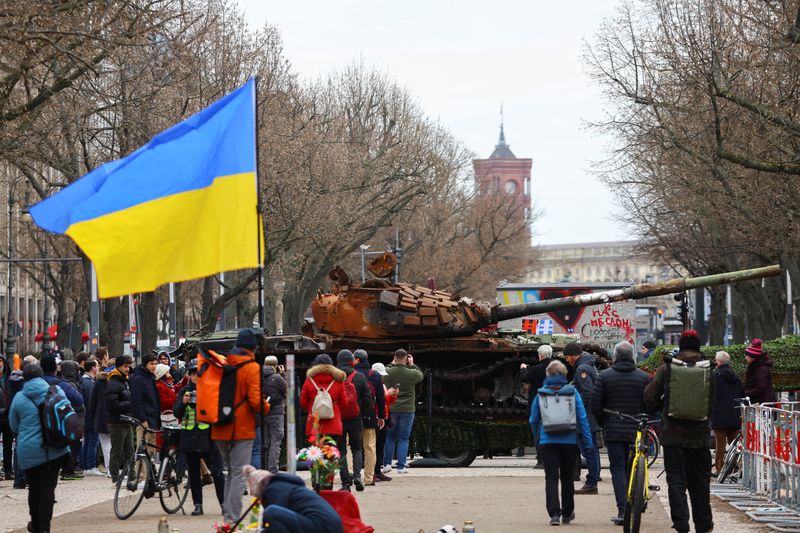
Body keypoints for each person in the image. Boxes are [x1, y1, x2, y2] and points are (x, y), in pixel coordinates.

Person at [645, 329, 714, 533]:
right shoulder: (709, 370)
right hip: (699, 437)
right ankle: (703, 525)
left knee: (676, 482)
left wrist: (661, 408)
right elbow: (713, 401)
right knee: (700, 483)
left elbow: (650, 397)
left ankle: (682, 525)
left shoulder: (667, 369)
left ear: (681, 346)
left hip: (673, 436)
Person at [211, 328, 270, 526]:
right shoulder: (251, 367)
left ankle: (228, 516)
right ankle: (232, 520)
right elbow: (255, 401)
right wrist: (266, 406)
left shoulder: (223, 364)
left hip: (219, 426)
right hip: (241, 428)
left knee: (230, 472)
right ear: (253, 347)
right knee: (238, 474)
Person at [592, 341, 650, 526]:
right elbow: (650, 402)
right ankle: (636, 499)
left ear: (615, 356)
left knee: (617, 469)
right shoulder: (643, 377)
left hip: (614, 429)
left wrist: (605, 422)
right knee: (634, 465)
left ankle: (622, 510)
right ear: (633, 356)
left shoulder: (605, 377)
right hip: (636, 429)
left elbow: (595, 405)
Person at [529, 360, 593, 526]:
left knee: (551, 478)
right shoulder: (572, 393)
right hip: (569, 441)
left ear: (547, 375)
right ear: (565, 375)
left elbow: (533, 419)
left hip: (547, 441)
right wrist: (587, 442)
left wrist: (538, 437)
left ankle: (554, 515)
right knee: (567, 478)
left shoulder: (541, 393)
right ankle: (567, 513)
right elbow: (582, 418)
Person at [9, 364, 70, 533]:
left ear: (25, 378)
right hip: (55, 447)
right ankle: (44, 526)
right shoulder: (56, 390)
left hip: (29, 450)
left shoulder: (20, 397)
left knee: (34, 487)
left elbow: (13, 425)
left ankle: (35, 522)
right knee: (48, 487)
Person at [173, 361, 225, 516]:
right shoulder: (184, 391)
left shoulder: (211, 390)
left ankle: (223, 503)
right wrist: (183, 403)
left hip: (210, 438)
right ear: (189, 375)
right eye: (193, 373)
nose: (196, 376)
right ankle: (198, 505)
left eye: (199, 373)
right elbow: (177, 413)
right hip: (190, 438)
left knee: (217, 472)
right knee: (194, 474)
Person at [243, 466, 344, 532]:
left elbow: (272, 516)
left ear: (260, 485)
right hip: (330, 526)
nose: (252, 494)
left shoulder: (275, 488)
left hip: (322, 526)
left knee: (271, 511)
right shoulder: (285, 486)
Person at [299, 354, 348, 481]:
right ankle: (328, 485)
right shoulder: (338, 380)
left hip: (314, 427)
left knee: (314, 456)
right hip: (333, 426)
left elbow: (303, 403)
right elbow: (344, 403)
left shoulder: (309, 380)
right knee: (330, 457)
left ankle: (316, 483)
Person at [562, 342, 600, 493]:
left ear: (573, 355)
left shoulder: (582, 368)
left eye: (567, 357)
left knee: (588, 450)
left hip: (585, 416)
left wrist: (576, 407)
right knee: (592, 449)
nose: (566, 360)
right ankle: (593, 479)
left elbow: (587, 393)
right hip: (590, 415)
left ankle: (591, 483)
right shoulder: (588, 365)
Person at [42, 357, 84, 480]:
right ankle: (68, 469)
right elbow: (78, 400)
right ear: (55, 369)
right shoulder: (61, 386)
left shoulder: (32, 384)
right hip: (59, 422)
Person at [382, 349, 423, 475]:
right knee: (403, 438)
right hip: (407, 410)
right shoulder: (412, 373)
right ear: (406, 359)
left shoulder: (387, 371)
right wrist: (412, 364)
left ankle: (387, 464)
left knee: (389, 437)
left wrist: (391, 364)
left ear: (394, 357)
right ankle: (401, 466)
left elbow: (382, 375)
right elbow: (420, 374)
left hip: (391, 408)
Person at [335, 349, 370, 491]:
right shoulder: (360, 377)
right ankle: (357, 476)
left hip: (338, 419)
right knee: (357, 449)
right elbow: (368, 399)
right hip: (355, 418)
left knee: (341, 451)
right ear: (351, 360)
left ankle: (345, 484)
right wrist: (360, 412)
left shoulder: (334, 377)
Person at [354, 349, 385, 487]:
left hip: (353, 414)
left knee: (351, 446)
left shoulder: (351, 374)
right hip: (370, 414)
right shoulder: (375, 375)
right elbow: (380, 398)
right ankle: (369, 477)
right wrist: (382, 416)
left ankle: (351, 474)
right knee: (370, 447)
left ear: (358, 359)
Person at [520, 344, 554, 468]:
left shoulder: (536, 369)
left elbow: (524, 378)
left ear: (540, 355)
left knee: (538, 433)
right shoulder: (556, 368)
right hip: (553, 404)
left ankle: (541, 460)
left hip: (538, 405)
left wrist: (524, 368)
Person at [711, 350, 744, 475]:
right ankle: (736, 468)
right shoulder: (735, 375)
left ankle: (719, 469)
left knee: (720, 445)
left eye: (715, 359)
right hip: (734, 414)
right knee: (734, 444)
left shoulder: (715, 375)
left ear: (718, 362)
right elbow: (742, 393)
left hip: (719, 414)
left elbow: (711, 394)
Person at [105, 355, 133, 483]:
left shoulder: (124, 381)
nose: (128, 369)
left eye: (129, 366)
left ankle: (131, 476)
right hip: (117, 422)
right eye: (125, 366)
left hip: (126, 421)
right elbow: (112, 405)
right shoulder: (114, 383)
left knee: (130, 451)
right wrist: (130, 403)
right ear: (119, 367)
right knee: (117, 450)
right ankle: (115, 477)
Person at [129, 354, 161, 448]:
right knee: (142, 452)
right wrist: (143, 419)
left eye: (155, 363)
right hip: (145, 420)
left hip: (152, 419)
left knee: (151, 451)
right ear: (145, 364)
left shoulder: (150, 378)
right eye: (151, 363)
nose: (154, 366)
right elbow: (136, 401)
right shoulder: (138, 379)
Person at [78, 359, 103, 476]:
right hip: (90, 416)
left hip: (87, 416)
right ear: (93, 367)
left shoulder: (86, 381)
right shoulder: (88, 382)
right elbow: (91, 400)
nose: (98, 368)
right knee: (93, 440)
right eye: (97, 366)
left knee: (88, 441)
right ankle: (91, 466)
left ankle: (86, 465)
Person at [263, 355, 287, 474]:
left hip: (263, 413)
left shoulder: (258, 376)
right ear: (276, 365)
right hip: (276, 413)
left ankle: (262, 467)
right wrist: (283, 375)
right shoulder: (277, 377)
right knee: (276, 441)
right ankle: (272, 469)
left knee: (265, 442)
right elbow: (287, 389)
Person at [89, 364, 112, 476]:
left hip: (101, 417)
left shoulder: (99, 382)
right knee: (116, 444)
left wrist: (94, 417)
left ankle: (109, 468)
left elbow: (93, 402)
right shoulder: (117, 381)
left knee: (106, 444)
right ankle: (115, 468)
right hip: (116, 417)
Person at [744, 339, 776, 404]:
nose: (745, 358)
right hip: (760, 401)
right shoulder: (758, 367)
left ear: (752, 357)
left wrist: (746, 393)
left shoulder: (761, 369)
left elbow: (761, 387)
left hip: (762, 403)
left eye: (747, 356)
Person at [0, 355, 13, 480]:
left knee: (8, 446)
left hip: (8, 417)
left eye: (0, 361)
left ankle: (9, 470)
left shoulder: (10, 379)